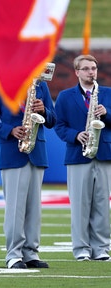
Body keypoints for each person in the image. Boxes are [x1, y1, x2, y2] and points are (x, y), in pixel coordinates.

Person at [0, 71, 56, 269]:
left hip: (37, 152)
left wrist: (44, 112)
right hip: (13, 153)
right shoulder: (1, 85)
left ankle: (31, 253)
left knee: (34, 208)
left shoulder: (40, 85)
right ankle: (13, 255)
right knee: (15, 208)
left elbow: (52, 119)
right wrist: (9, 130)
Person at [54, 54, 111, 261]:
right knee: (79, 205)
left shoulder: (108, 93)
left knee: (102, 204)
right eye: (86, 69)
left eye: (94, 68)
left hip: (104, 154)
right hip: (78, 155)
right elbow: (59, 126)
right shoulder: (65, 96)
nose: (91, 72)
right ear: (76, 72)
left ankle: (101, 249)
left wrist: (107, 113)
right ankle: (82, 249)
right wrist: (76, 135)